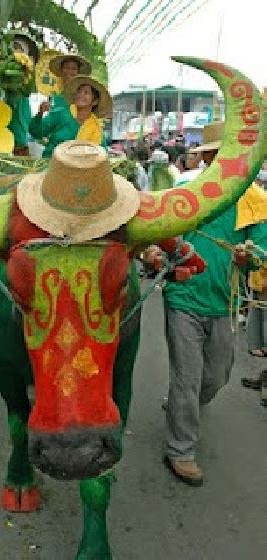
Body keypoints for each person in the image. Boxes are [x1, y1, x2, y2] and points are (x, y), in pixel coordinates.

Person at [162, 122, 267, 486]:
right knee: (187, 378)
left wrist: (249, 257)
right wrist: (159, 256)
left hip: (224, 303)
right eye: (216, 154)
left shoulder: (253, 199)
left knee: (217, 375)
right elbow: (162, 233)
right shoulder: (185, 191)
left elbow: (262, 249)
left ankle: (181, 406)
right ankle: (181, 449)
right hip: (183, 296)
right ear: (207, 157)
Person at [29, 76, 112, 158]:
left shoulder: (95, 128)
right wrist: (40, 113)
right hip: (52, 166)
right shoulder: (61, 114)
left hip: (79, 170)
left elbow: (102, 156)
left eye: (86, 92)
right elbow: (37, 132)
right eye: (79, 91)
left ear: (95, 101)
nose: (80, 95)